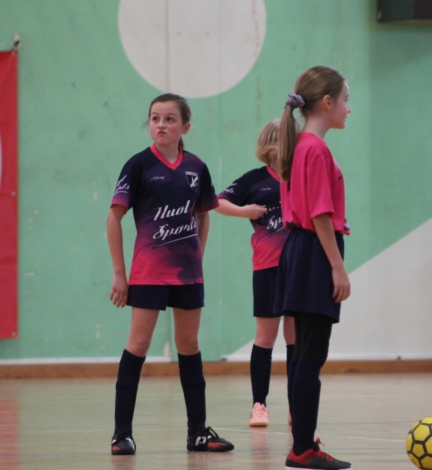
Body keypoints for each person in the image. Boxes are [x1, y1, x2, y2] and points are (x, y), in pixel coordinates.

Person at [107, 93, 234, 455]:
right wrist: (120, 274)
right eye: (155, 118)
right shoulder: (138, 165)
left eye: (169, 119)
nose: (161, 125)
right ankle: (121, 434)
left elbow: (204, 213)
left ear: (185, 127)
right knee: (138, 344)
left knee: (189, 345)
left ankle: (198, 433)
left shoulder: (196, 167)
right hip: (148, 273)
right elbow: (114, 218)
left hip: (188, 275)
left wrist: (198, 257)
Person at [275, 66, 352, 470]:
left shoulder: (299, 145)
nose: (348, 108)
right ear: (326, 102)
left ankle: (302, 442)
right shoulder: (316, 149)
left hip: (298, 250)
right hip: (315, 252)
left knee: (303, 352)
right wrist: (337, 267)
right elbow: (320, 213)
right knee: (311, 354)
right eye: (345, 100)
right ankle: (303, 447)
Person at [215, 119, 295, 427]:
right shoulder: (255, 180)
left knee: (295, 339)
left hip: (299, 268)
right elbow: (217, 202)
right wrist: (244, 211)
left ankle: (296, 405)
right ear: (271, 144)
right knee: (265, 337)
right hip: (267, 267)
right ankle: (259, 405)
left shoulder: (302, 175)